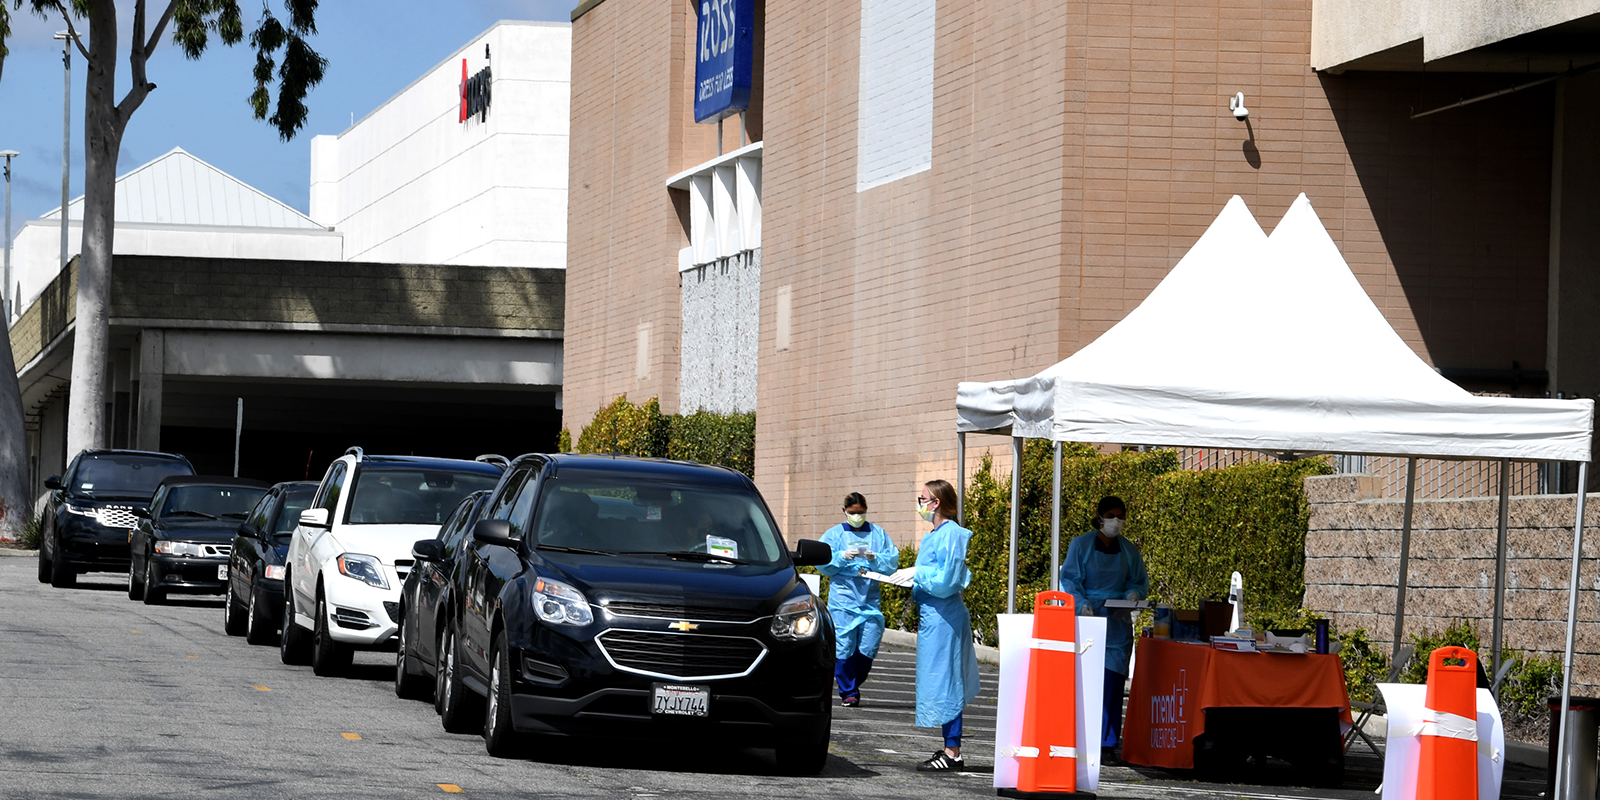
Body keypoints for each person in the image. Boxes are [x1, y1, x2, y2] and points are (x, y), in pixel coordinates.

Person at [1059, 495, 1150, 764]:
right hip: (1086, 620)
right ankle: (1078, 738)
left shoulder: (1129, 551)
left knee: (1111, 686)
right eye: (1111, 516)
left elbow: (1137, 581)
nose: (1116, 522)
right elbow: (1071, 580)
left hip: (1116, 625)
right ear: (1099, 517)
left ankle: (1107, 743)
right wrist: (1082, 604)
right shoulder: (1081, 545)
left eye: (1121, 517)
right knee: (1083, 684)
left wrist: (1132, 595)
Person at [911, 479, 980, 773]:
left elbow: (945, 581)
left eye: (923, 498)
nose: (920, 503)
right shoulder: (935, 535)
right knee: (940, 682)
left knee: (948, 683)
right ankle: (950, 747)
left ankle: (953, 752)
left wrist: (917, 575)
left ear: (936, 502)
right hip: (934, 619)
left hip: (944, 620)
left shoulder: (951, 534)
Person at [816, 492, 899, 707]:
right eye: (853, 513)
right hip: (843, 599)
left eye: (861, 513)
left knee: (867, 648)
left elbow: (891, 562)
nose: (857, 516)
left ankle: (853, 682)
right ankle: (848, 691)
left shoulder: (878, 534)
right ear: (844, 511)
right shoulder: (834, 535)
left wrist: (874, 557)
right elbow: (822, 562)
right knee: (843, 646)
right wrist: (841, 557)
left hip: (869, 600)